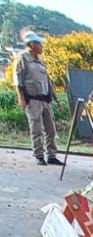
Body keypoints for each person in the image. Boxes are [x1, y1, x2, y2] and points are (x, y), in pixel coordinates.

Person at [13, 31, 63, 166]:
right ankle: (39, 155)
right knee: (36, 129)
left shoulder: (41, 61)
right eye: (39, 44)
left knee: (51, 129)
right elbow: (18, 81)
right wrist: (21, 99)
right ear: (32, 44)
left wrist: (56, 100)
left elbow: (48, 81)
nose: (41, 46)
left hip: (45, 100)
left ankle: (52, 155)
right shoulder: (23, 58)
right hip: (32, 99)